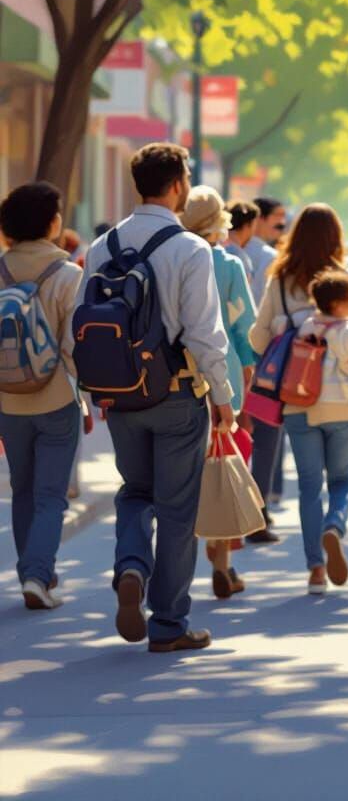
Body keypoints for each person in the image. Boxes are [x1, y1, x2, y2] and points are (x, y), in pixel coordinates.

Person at [78, 144, 234, 653]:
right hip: (177, 396)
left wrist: (91, 393)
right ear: (177, 185)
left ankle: (130, 566)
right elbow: (205, 334)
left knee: (134, 492)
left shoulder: (103, 245)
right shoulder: (190, 248)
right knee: (177, 510)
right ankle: (168, 623)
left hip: (120, 397)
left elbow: (81, 325)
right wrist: (224, 396)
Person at [250, 205, 348, 594]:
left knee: (309, 484)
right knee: (342, 479)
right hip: (344, 399)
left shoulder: (278, 280)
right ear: (336, 237)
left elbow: (258, 340)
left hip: (298, 398)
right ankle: (335, 526)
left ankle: (314, 569)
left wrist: (285, 329)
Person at [0, 182, 86, 610]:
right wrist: (86, 394)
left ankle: (34, 572)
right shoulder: (68, 275)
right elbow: (75, 347)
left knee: (23, 490)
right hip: (56, 399)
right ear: (53, 224)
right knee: (52, 494)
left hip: (8, 401)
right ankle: (38, 575)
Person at [182, 186, 258, 599]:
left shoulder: (174, 258)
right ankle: (221, 560)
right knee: (224, 460)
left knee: (185, 470)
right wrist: (248, 368)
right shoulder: (228, 264)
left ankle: (181, 564)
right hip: (223, 371)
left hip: (179, 374)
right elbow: (245, 326)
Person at [244, 196, 289, 528]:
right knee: (267, 432)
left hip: (232, 357)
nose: (281, 228)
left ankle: (236, 502)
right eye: (277, 221)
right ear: (257, 220)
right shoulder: (270, 259)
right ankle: (258, 505)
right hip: (264, 357)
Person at [245, 197, 287, 306]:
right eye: (278, 215)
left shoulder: (233, 248)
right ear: (259, 218)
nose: (283, 223)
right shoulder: (270, 256)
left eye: (284, 216)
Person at [225, 200, 259, 282]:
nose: (254, 231)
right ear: (247, 225)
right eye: (254, 225)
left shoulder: (213, 248)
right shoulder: (241, 259)